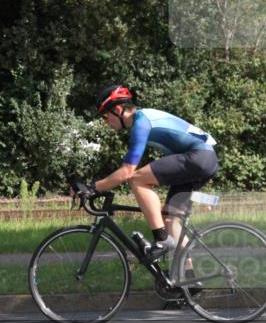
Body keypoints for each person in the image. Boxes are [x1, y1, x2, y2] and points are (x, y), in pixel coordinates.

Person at [82, 85, 218, 263]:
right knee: (170, 221)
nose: (106, 122)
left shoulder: (141, 122)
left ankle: (161, 240)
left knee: (137, 178)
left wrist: (92, 188)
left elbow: (127, 171)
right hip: (203, 159)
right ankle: (189, 282)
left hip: (199, 157)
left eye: (106, 117)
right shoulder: (143, 119)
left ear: (117, 110)